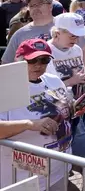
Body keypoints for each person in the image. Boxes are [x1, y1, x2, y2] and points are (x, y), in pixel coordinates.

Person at [0, 39, 73, 191]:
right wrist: (29, 124)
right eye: (32, 60)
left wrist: (74, 109)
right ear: (18, 60)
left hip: (59, 167)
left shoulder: (54, 80)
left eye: (44, 60)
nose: (38, 65)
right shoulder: (4, 86)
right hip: (23, 176)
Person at [46, 13, 85, 185]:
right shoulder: (46, 52)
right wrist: (74, 80)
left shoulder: (76, 50)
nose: (75, 39)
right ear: (57, 33)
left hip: (77, 103)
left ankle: (78, 170)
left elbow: (78, 73)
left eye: (77, 35)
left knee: (76, 135)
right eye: (71, 35)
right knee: (70, 137)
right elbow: (48, 84)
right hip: (54, 107)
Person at [2, 0, 85, 65]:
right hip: (36, 83)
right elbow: (7, 62)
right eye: (32, 6)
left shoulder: (66, 23)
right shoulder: (20, 34)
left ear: (50, 6)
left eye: (39, 4)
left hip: (69, 80)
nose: (35, 8)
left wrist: (83, 69)